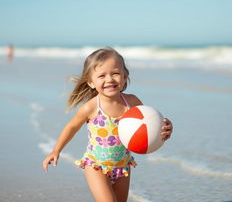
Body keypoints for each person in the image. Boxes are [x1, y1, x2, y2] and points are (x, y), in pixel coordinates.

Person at [42, 47, 173, 202]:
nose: (109, 79)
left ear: (124, 76)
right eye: (102, 76)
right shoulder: (90, 108)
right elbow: (71, 127)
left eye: (115, 73)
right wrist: (56, 150)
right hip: (96, 166)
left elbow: (149, 126)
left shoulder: (132, 102)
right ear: (91, 82)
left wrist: (165, 130)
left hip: (123, 166)